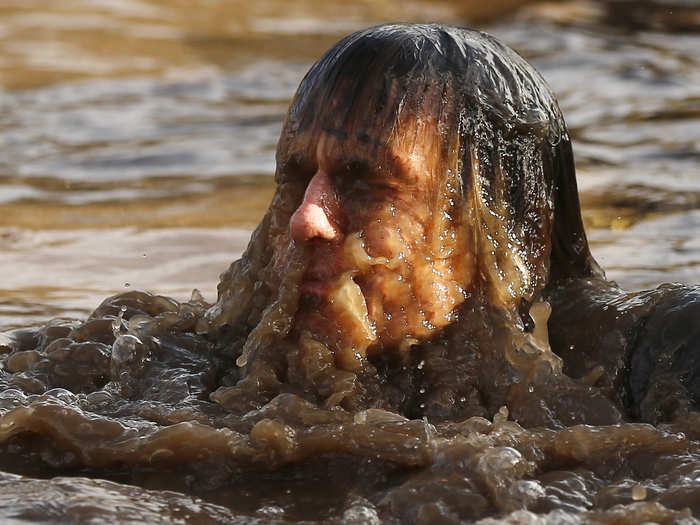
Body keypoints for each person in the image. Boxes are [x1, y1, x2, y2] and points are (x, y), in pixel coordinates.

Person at [202, 23, 699, 426]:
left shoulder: (659, 359)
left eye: (368, 184)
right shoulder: (220, 365)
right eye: (296, 178)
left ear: (520, 234)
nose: (304, 220)